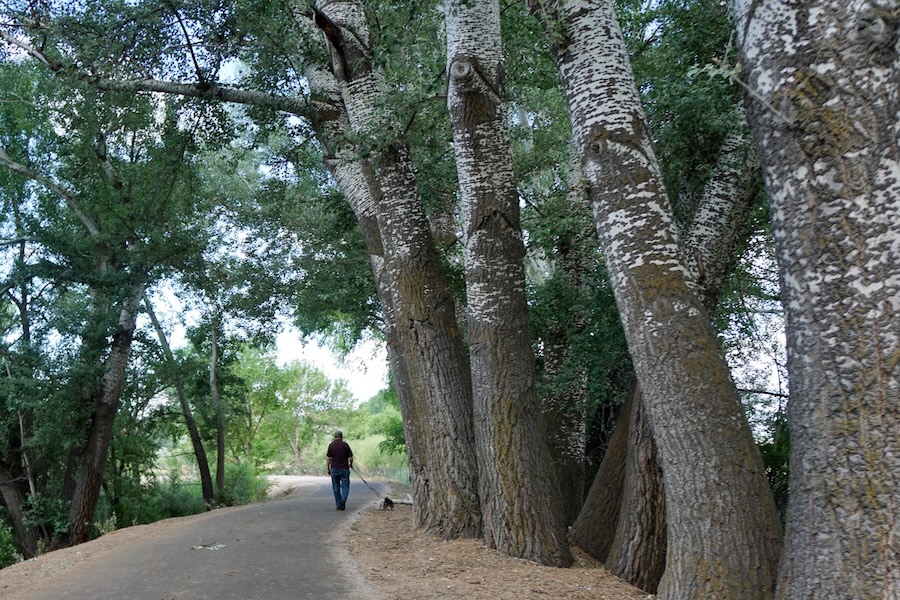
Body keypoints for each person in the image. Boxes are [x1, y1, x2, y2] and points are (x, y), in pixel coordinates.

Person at [326, 430, 353, 510]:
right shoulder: (345, 445)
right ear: (342, 436)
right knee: (345, 486)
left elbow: (328, 458)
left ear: (335, 436)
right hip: (344, 468)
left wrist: (328, 468)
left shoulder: (331, 445)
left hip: (334, 468)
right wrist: (350, 465)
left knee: (336, 487)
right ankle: (343, 499)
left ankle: (338, 504)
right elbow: (351, 457)